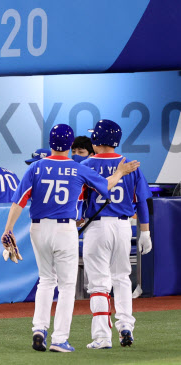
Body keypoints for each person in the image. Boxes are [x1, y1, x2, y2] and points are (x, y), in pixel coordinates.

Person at [1, 124, 139, 353]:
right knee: (66, 287)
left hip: (38, 228)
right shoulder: (77, 168)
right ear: (70, 145)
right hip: (65, 229)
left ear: (50, 142)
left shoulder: (35, 168)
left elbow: (19, 201)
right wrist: (120, 173)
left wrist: (8, 230)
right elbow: (106, 186)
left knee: (46, 281)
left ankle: (39, 329)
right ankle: (59, 339)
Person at [81, 119, 152, 349]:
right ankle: (126, 327)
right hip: (123, 226)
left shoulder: (86, 164)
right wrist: (145, 232)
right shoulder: (130, 164)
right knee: (122, 278)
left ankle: (102, 337)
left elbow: (80, 200)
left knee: (99, 283)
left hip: (98, 227)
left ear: (96, 139)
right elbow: (142, 201)